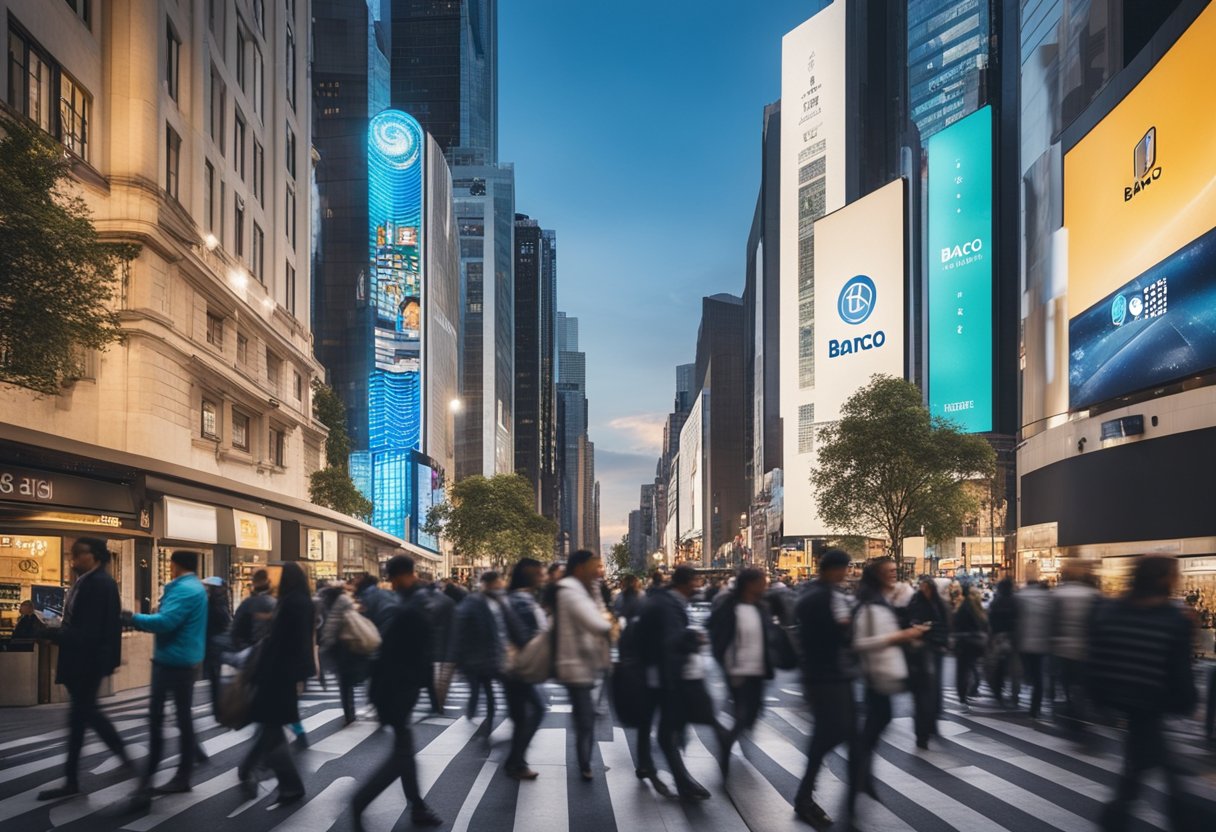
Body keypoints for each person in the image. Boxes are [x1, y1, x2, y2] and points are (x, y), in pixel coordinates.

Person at [1090, 556, 1197, 832]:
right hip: (1151, 704)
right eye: (1175, 575)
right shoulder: (1174, 619)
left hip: (1120, 700)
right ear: (1162, 579)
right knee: (1156, 773)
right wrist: (1187, 702)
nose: (1179, 580)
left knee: (1138, 772)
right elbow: (1180, 670)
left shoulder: (1112, 610)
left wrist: (1100, 697)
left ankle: (1116, 821)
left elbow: (1098, 656)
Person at [351, 555, 442, 829]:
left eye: (392, 579)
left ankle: (417, 807)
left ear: (400, 576)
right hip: (397, 690)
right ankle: (360, 801)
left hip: (394, 688)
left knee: (404, 751)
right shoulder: (413, 605)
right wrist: (432, 694)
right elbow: (419, 653)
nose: (391, 584)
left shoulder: (409, 605)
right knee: (402, 755)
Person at [36, 538, 130, 800]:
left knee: (83, 716)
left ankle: (74, 780)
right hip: (84, 660)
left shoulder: (99, 583)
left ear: (95, 556)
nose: (73, 559)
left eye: (79, 554)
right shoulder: (86, 581)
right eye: (73, 555)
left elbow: (89, 630)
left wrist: (52, 634)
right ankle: (79, 776)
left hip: (87, 661)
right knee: (84, 716)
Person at [124, 550, 208, 806]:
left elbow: (166, 621)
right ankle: (179, 772)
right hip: (184, 659)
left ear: (175, 564)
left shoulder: (184, 590)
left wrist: (132, 618)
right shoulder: (194, 587)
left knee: (158, 720)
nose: (168, 568)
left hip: (173, 662)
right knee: (181, 717)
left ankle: (152, 781)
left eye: (170, 564)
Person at [850, 559, 929, 820]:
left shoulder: (882, 601)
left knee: (876, 724)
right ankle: (858, 778)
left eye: (896, 569)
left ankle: (862, 777)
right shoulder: (870, 605)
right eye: (890, 571)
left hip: (884, 674)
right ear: (877, 576)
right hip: (877, 675)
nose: (895, 573)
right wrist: (902, 636)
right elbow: (860, 642)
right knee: (873, 726)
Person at [638, 564, 720, 800]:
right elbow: (670, 642)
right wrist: (693, 638)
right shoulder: (667, 605)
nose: (698, 586)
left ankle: (648, 766)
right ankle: (682, 782)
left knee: (656, 726)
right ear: (685, 583)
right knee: (667, 732)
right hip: (663, 677)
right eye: (695, 581)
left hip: (657, 675)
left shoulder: (665, 601)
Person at [236, 562, 312, 804]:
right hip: (286, 674)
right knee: (272, 727)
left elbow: (280, 642)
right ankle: (285, 782)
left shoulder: (290, 604)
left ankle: (280, 780)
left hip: (277, 674)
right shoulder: (302, 601)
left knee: (271, 726)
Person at [793, 549, 854, 828]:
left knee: (834, 732)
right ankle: (805, 796)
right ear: (833, 569)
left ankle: (807, 794)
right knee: (833, 732)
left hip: (824, 676)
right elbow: (834, 635)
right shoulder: (825, 597)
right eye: (844, 568)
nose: (847, 573)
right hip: (827, 676)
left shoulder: (813, 594)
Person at [554, 549, 613, 780]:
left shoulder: (586, 588)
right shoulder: (569, 590)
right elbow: (596, 622)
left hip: (590, 661)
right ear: (579, 567)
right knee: (585, 718)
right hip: (574, 664)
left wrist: (596, 590)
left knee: (586, 716)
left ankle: (584, 761)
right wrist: (611, 623)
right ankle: (584, 763)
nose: (598, 570)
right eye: (593, 566)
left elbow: (600, 614)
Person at [709, 567, 773, 772]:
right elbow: (717, 636)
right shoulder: (729, 607)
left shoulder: (761, 607)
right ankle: (727, 743)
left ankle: (728, 739)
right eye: (761, 582)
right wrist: (727, 664)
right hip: (737, 670)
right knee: (743, 713)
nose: (765, 586)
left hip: (758, 669)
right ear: (749, 584)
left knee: (752, 714)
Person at [503, 558, 547, 779]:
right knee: (535, 710)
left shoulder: (521, 598)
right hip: (518, 667)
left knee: (523, 714)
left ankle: (515, 759)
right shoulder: (521, 600)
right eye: (540, 573)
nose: (543, 577)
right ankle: (515, 761)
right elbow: (524, 635)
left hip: (515, 667)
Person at [453, 570, 512, 723]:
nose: (501, 585)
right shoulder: (474, 602)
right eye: (498, 582)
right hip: (476, 657)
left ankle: (480, 717)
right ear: (489, 584)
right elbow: (461, 628)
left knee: (484, 690)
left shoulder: (497, 601)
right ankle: (475, 717)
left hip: (487, 656)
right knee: (479, 690)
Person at [1051, 562, 1100, 737]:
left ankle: (1070, 712)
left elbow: (1052, 622)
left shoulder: (1058, 594)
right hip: (1085, 648)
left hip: (1062, 648)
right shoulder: (1092, 595)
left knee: (1066, 683)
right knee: (1082, 683)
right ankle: (1081, 714)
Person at [907, 576, 950, 749]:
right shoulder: (917, 603)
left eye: (928, 587)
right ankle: (922, 733)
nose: (925, 591)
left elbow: (945, 624)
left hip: (934, 650)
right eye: (923, 587)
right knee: (924, 694)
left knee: (932, 692)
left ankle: (930, 724)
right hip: (920, 652)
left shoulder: (938, 604)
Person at [319, 582, 365, 725]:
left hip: (336, 646)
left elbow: (328, 624)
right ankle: (350, 712)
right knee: (347, 681)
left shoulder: (326, 602)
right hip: (346, 643)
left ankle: (348, 712)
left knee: (343, 683)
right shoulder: (344, 601)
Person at [1015, 579, 1052, 719]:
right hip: (1042, 644)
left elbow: (1015, 619)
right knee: (1039, 677)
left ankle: (1019, 695)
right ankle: (1035, 708)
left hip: (1023, 642)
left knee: (1025, 672)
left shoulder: (1020, 596)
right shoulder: (1048, 597)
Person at [952, 583, 988, 713]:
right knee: (972, 667)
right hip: (975, 643)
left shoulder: (963, 607)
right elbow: (985, 625)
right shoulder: (978, 609)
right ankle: (972, 689)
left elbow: (956, 624)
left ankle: (963, 695)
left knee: (963, 671)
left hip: (964, 643)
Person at [202, 577, 232, 720]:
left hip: (214, 644)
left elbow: (223, 622)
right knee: (215, 678)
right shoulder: (221, 601)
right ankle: (218, 709)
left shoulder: (215, 604)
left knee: (215, 678)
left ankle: (219, 710)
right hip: (215, 644)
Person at [985, 579, 1019, 707]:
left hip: (998, 637)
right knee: (1014, 667)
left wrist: (991, 636)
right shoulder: (1015, 601)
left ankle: (998, 691)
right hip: (1012, 636)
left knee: (997, 665)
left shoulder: (995, 602)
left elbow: (990, 620)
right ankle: (1015, 694)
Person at [230, 569, 275, 651]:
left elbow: (235, 628)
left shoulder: (247, 604)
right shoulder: (274, 603)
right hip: (270, 651)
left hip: (249, 650)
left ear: (254, 583)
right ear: (268, 583)